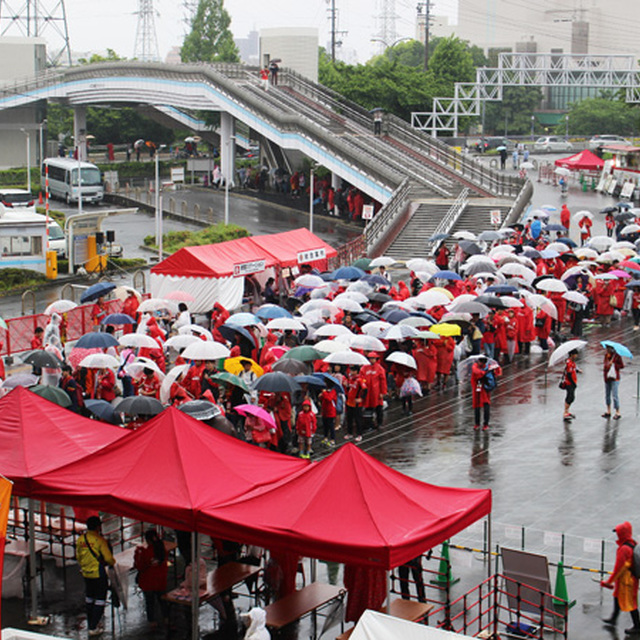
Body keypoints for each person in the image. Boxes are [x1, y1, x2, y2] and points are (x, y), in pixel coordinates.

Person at [76, 515, 116, 636]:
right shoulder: (100, 540)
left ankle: (91, 623)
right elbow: (109, 558)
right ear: (98, 527)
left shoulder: (81, 539)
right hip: (98, 573)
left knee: (89, 598)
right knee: (100, 599)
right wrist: (112, 563)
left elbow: (78, 556)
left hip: (86, 573)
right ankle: (93, 627)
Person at [601, 521, 640, 634]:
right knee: (617, 596)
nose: (617, 535)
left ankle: (637, 626)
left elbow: (619, 568)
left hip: (626, 581)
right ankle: (613, 618)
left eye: (618, 532)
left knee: (630, 603)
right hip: (628, 579)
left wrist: (609, 582)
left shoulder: (623, 549)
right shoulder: (632, 544)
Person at [134, 529, 169, 629]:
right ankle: (166, 618)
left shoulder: (144, 552)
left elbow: (139, 566)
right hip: (160, 581)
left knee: (150, 602)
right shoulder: (162, 549)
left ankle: (152, 621)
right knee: (162, 601)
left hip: (148, 581)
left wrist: (137, 553)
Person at [471, 356, 500, 430]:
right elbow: (475, 371)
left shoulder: (482, 366)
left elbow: (498, 371)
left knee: (484, 403)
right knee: (478, 403)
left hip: (482, 385)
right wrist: (485, 372)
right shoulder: (488, 367)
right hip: (481, 385)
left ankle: (484, 424)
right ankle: (478, 423)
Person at [603, 344, 624, 420]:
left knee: (615, 395)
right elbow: (605, 366)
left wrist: (614, 365)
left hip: (615, 378)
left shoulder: (617, 356)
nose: (607, 350)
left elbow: (622, 366)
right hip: (607, 378)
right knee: (607, 395)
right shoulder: (606, 356)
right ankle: (608, 411)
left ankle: (617, 412)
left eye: (608, 348)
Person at [560, 349, 581, 421]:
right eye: (575, 354)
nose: (576, 356)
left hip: (572, 382)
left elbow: (573, 369)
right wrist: (573, 383)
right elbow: (569, 374)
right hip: (569, 383)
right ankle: (565, 412)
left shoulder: (572, 362)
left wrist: (578, 371)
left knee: (571, 397)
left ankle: (567, 411)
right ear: (572, 354)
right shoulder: (569, 363)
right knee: (570, 397)